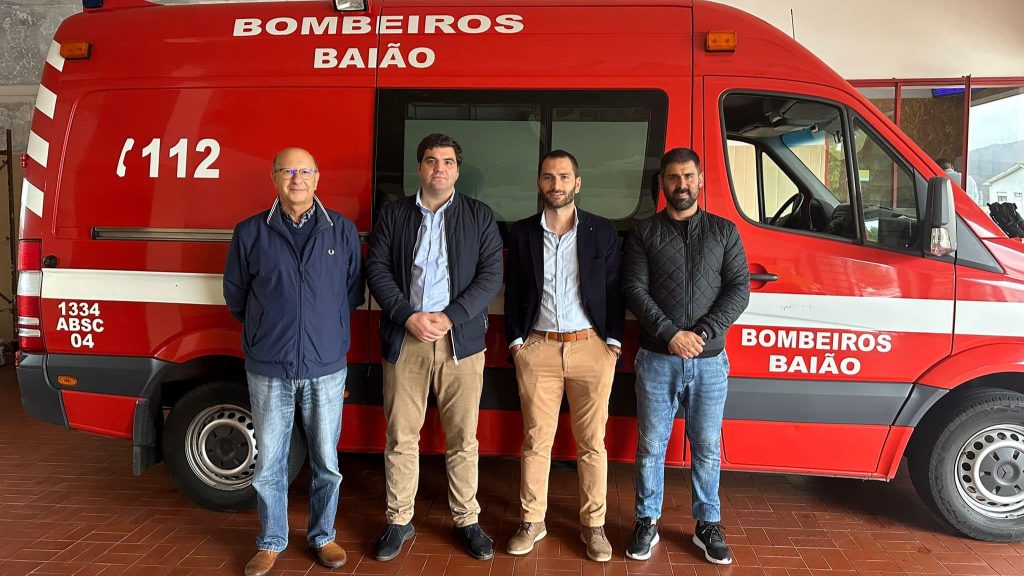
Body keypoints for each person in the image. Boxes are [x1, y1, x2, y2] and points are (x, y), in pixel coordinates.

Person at [223, 147, 364, 576]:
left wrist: (324, 330)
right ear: (274, 178)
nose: (296, 179)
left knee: (326, 461)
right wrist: (268, 328)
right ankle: (271, 541)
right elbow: (236, 295)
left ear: (317, 178)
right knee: (269, 463)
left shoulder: (341, 230)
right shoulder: (250, 232)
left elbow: (352, 293)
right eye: (287, 171)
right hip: (270, 365)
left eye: (304, 171)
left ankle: (323, 536)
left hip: (326, 365)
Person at [366, 133, 503, 562]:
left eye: (447, 161)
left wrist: (451, 316)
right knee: (401, 436)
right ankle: (398, 520)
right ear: (420, 168)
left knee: (463, 438)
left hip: (461, 342)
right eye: (430, 160)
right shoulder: (394, 215)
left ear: (457, 170)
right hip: (405, 338)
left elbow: (491, 275)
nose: (439, 168)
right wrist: (407, 315)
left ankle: (466, 520)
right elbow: (377, 269)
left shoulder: (479, 216)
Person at [621, 148, 750, 565]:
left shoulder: (724, 232)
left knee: (707, 446)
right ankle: (647, 521)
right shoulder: (644, 232)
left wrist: (703, 333)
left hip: (710, 360)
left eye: (689, 176)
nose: (682, 184)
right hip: (657, 357)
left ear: (700, 180)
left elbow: (739, 289)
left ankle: (707, 524)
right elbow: (634, 289)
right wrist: (671, 334)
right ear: (662, 182)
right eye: (674, 177)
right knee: (651, 445)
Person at [504, 150, 624, 562]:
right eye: (548, 177)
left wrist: (612, 345)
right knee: (536, 441)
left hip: (591, 348)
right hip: (537, 348)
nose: (556, 184)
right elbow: (514, 291)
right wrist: (517, 344)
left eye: (564, 176)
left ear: (578, 183)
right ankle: (531, 521)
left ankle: (594, 526)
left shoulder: (601, 231)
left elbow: (615, 290)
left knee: (592, 443)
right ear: (539, 183)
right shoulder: (522, 233)